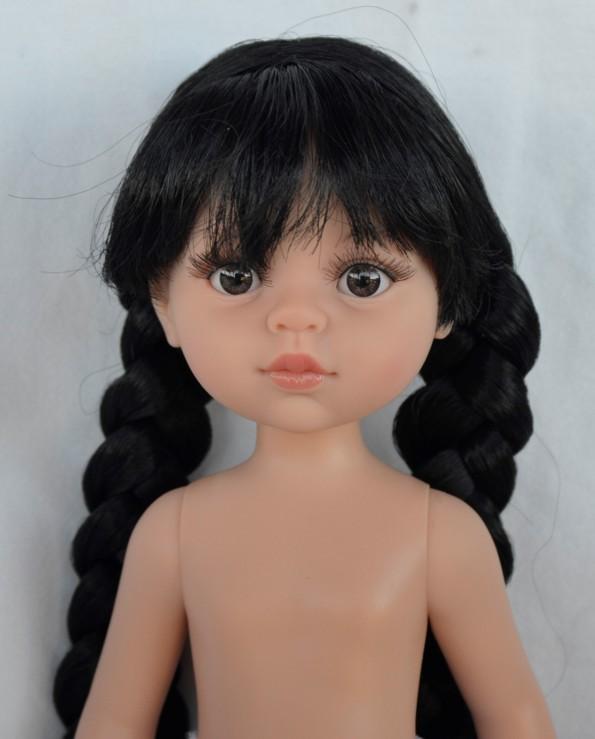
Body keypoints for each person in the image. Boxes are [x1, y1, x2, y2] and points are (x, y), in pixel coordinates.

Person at [52, 35, 557, 738]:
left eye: (362, 279)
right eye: (235, 277)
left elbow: (517, 719)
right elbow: (112, 722)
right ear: (163, 301)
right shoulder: (173, 534)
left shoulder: (440, 536)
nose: (295, 319)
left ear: (446, 301)